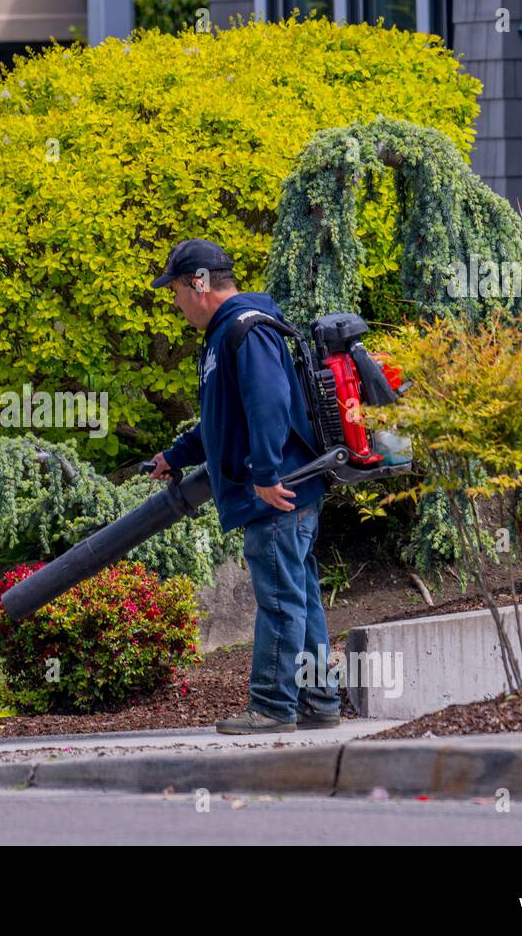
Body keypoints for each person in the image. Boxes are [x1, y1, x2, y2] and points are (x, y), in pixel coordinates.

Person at [148, 239, 341, 734]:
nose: (175, 303)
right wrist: (176, 455)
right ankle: (319, 698)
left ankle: (272, 707)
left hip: (278, 493)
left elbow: (269, 401)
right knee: (300, 596)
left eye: (176, 290)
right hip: (286, 489)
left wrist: (265, 474)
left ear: (198, 283)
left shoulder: (244, 329)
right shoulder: (227, 334)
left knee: (280, 599)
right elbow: (222, 420)